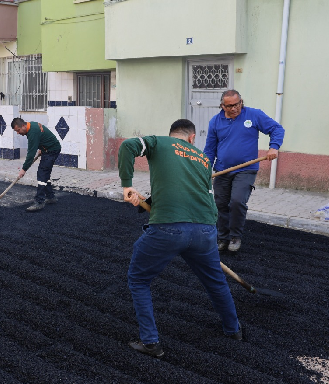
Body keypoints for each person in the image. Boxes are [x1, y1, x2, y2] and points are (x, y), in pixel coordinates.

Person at [119, 119, 242, 358]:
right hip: (205, 231)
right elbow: (193, 193)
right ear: (192, 138)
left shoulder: (159, 142)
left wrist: (127, 186)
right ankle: (233, 330)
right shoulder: (203, 159)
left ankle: (151, 343)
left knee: (139, 279)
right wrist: (148, 200)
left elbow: (127, 146)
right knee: (216, 283)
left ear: (172, 133)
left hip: (168, 229)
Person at [204, 90, 285, 253]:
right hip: (222, 170)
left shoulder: (253, 115)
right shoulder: (215, 122)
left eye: (237, 104)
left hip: (246, 169)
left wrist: (274, 147)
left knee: (237, 201)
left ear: (241, 102)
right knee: (219, 204)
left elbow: (277, 129)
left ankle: (235, 237)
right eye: (229, 106)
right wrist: (204, 169)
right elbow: (210, 149)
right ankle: (222, 237)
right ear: (222, 106)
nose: (234, 108)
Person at [11, 117, 62, 212]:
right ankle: (51, 197)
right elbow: (41, 134)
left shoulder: (32, 132)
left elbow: (30, 154)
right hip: (48, 149)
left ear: (23, 126)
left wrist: (24, 169)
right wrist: (42, 147)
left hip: (51, 150)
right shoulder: (31, 125)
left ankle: (39, 201)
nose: (18, 133)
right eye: (16, 131)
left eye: (18, 130)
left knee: (42, 174)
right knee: (44, 174)